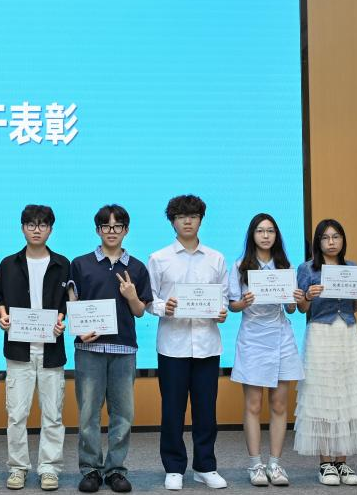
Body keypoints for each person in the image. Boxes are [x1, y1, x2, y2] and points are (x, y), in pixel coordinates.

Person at [147, 194, 229, 491]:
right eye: (181, 217)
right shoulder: (159, 258)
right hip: (173, 345)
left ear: (200, 220)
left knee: (206, 410)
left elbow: (223, 298)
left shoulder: (216, 258)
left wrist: (221, 312)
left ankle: (205, 466)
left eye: (193, 216)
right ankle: (174, 467)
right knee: (172, 410)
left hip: (207, 344)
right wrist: (163, 307)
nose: (187, 221)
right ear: (173, 222)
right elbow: (149, 300)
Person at [69, 204, 152, 494]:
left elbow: (140, 311)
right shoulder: (80, 264)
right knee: (88, 414)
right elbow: (73, 302)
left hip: (124, 349)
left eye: (118, 226)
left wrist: (131, 296)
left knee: (123, 414)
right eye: (106, 226)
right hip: (89, 349)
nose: (112, 231)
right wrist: (78, 329)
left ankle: (116, 470)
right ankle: (90, 469)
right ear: (98, 230)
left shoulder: (137, 267)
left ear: (126, 230)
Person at [0, 204, 70, 492]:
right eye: (31, 224)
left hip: (51, 351)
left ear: (51, 229)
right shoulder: (8, 264)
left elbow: (68, 302)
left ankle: (49, 468)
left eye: (43, 225)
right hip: (19, 350)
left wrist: (62, 320)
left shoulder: (62, 264)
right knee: (16, 414)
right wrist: (2, 316)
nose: (37, 230)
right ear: (23, 228)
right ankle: (18, 468)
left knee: (53, 414)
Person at [293, 218, 357, 486]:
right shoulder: (307, 268)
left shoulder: (352, 268)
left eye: (336, 237)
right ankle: (325, 463)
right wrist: (308, 296)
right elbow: (302, 309)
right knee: (322, 395)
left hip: (348, 333)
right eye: (325, 237)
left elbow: (356, 307)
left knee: (348, 393)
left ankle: (342, 461)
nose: (331, 242)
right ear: (318, 242)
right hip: (320, 334)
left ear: (343, 240)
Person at [227, 212, 302, 487]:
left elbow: (291, 308)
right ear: (252, 235)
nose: (266, 235)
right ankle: (255, 464)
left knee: (280, 404)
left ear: (276, 236)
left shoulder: (286, 266)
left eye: (270, 231)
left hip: (281, 337)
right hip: (253, 339)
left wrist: (295, 299)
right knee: (254, 404)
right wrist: (243, 302)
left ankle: (275, 464)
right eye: (260, 231)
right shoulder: (240, 266)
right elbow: (232, 305)